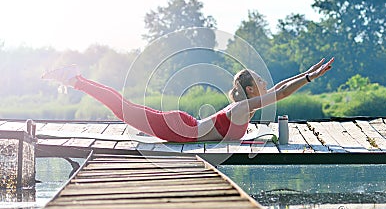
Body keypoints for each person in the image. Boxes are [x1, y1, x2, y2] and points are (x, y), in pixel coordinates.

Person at [42, 58, 334, 142]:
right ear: (250, 90)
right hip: (180, 129)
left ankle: (75, 79)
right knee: (123, 110)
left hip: (182, 126)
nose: (265, 83)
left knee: (125, 109)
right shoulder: (245, 106)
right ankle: (76, 80)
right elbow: (281, 92)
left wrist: (306, 73)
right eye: (260, 80)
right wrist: (309, 79)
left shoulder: (245, 104)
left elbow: (280, 87)